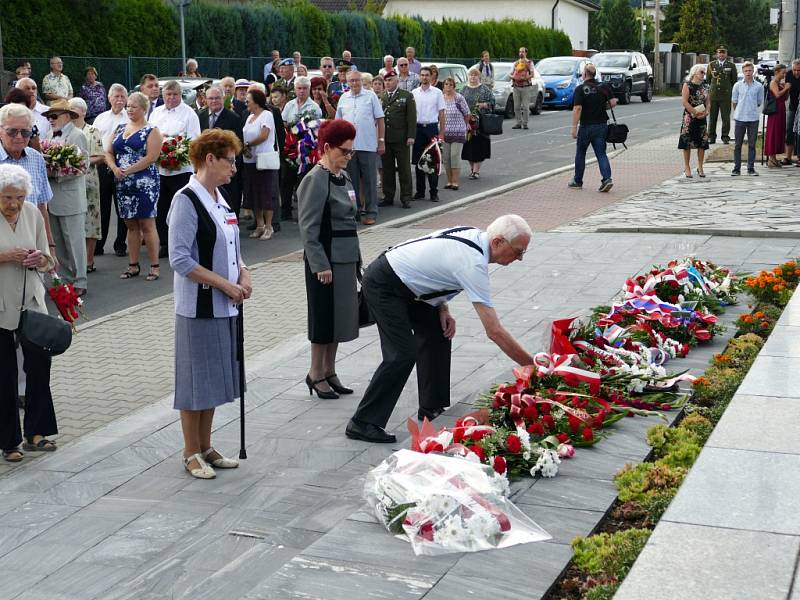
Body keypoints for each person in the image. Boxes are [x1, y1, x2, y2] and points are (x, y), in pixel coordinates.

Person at [346, 214, 534, 443]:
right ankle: (363, 422)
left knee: (438, 331)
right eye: (519, 251)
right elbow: (494, 331)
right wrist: (532, 366)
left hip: (411, 286)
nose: (520, 258)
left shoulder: (474, 236)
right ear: (498, 242)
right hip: (385, 284)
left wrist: (442, 307)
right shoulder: (473, 262)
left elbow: (435, 269)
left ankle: (431, 408)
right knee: (402, 354)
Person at [168, 129, 251, 480]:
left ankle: (206, 445)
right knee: (195, 380)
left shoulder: (220, 198)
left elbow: (232, 245)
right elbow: (180, 260)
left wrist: (244, 275)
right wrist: (225, 285)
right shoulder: (186, 199)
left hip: (225, 304)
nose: (234, 167)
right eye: (229, 160)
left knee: (214, 377)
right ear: (210, 160)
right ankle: (190, 452)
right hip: (199, 306)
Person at [297, 120, 360, 400]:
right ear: (326, 148)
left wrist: (357, 259)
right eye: (344, 151)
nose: (348, 157)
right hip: (325, 260)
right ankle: (315, 373)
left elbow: (351, 221)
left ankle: (330, 371)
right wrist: (320, 264)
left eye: (351, 152)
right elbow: (308, 228)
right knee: (323, 319)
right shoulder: (315, 179)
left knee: (340, 320)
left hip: (345, 257)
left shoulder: (342, 176)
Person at [0, 164, 58, 462]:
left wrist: (41, 257)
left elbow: (49, 261)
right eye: (7, 197)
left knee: (39, 366)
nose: (14, 204)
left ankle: (37, 431)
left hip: (32, 304)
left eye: (19, 197)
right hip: (0, 307)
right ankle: (8, 441)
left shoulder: (33, 213)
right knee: (4, 374)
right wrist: (4, 256)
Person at [105, 91, 163, 281]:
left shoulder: (151, 130)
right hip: (122, 182)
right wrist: (114, 167)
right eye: (128, 106)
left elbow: (151, 157)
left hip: (145, 182)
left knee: (147, 222)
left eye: (133, 106)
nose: (129, 109)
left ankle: (154, 266)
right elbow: (109, 151)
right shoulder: (120, 127)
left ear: (144, 109)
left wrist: (128, 170)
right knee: (130, 224)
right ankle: (133, 264)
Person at [150, 80, 202, 259]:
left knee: (181, 208)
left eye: (175, 95)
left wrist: (175, 146)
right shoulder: (156, 113)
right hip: (160, 170)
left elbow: (195, 140)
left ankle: (183, 242)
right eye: (168, 95)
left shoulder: (189, 114)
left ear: (181, 95)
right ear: (163, 96)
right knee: (161, 208)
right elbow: (150, 134)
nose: (171, 98)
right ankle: (164, 242)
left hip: (182, 168)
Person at [43, 100, 89, 296]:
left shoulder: (77, 135)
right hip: (52, 198)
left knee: (74, 242)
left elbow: (82, 166)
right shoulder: (47, 135)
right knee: (59, 242)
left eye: (54, 116)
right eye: (49, 117)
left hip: (70, 198)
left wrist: (54, 173)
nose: (51, 120)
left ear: (67, 116)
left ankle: (80, 281)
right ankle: (66, 279)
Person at [0, 104, 56, 256]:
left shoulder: (36, 158)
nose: (19, 137)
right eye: (12, 131)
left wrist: (50, 247)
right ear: (0, 131)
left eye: (25, 132)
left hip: (33, 245)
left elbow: (42, 206)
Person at [336, 70, 385, 225]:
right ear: (347, 82)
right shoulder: (343, 98)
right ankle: (354, 211)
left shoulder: (371, 97)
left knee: (370, 181)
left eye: (357, 80)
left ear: (361, 81)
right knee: (351, 182)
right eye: (351, 81)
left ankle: (371, 212)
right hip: (349, 148)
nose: (354, 83)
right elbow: (339, 123)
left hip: (368, 145)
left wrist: (381, 140)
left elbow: (380, 119)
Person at [92, 83, 128, 257]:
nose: (119, 100)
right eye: (116, 96)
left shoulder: (130, 118)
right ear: (109, 98)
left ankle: (120, 243)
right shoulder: (100, 118)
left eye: (122, 97)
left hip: (122, 166)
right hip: (102, 166)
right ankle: (99, 244)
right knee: (103, 207)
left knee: (122, 207)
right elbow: (95, 140)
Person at [68, 97, 103, 273]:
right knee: (75, 222)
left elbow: (100, 155)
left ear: (83, 111)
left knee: (91, 220)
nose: (71, 111)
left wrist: (81, 162)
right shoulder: (65, 131)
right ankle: (76, 261)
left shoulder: (92, 130)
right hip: (70, 180)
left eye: (74, 108)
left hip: (89, 181)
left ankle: (89, 260)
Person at [569, 63, 616, 193]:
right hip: (601, 125)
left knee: (581, 153)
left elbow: (578, 108)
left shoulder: (580, 89)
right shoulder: (603, 87)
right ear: (595, 74)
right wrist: (601, 106)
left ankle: (577, 181)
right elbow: (613, 102)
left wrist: (574, 127)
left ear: (584, 74)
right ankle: (607, 179)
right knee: (601, 153)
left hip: (586, 126)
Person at [199, 85, 244, 216]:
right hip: (207, 168)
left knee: (229, 201)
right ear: (205, 100)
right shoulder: (200, 116)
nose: (214, 101)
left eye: (217, 98)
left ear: (223, 98)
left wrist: (233, 167)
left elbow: (238, 146)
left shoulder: (234, 118)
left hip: (226, 168)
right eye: (210, 98)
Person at [241, 89, 278, 240]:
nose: (246, 102)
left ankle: (269, 226)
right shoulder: (249, 117)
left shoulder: (267, 115)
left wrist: (248, 144)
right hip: (249, 160)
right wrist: (244, 148)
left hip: (263, 160)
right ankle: (259, 225)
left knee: (265, 192)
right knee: (254, 193)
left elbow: (264, 135)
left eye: (248, 100)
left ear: (256, 101)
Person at [379, 69, 416, 209]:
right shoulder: (382, 96)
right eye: (386, 80)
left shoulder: (406, 96)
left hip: (401, 139)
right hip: (385, 139)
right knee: (387, 169)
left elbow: (411, 118)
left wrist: (411, 136)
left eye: (390, 80)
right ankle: (388, 196)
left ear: (397, 81)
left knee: (404, 169)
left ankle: (406, 197)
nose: (388, 83)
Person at [412, 67, 446, 202]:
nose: (424, 77)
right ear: (419, 77)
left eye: (427, 75)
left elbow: (442, 114)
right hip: (418, 129)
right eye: (422, 75)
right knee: (418, 162)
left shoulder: (437, 93)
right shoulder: (414, 93)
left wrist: (442, 133)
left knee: (433, 162)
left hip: (432, 129)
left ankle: (433, 192)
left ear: (431, 77)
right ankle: (420, 191)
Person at [461, 67, 495, 179]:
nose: (473, 77)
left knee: (479, 148)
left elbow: (493, 102)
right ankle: (472, 169)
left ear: (479, 77)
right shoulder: (464, 89)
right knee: (468, 148)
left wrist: (484, 105)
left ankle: (476, 171)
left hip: (480, 124)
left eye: (475, 75)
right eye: (471, 75)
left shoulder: (484, 89)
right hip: (467, 124)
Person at [678, 64, 710, 178]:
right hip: (690, 116)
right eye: (701, 72)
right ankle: (687, 167)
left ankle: (700, 166)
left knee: (702, 142)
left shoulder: (705, 86)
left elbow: (708, 101)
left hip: (702, 117)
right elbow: (685, 102)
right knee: (687, 142)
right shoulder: (688, 85)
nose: (703, 74)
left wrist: (706, 112)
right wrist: (694, 112)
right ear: (695, 73)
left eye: (704, 72)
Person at [441, 78, 471, 191]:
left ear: (454, 86)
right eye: (446, 84)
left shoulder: (459, 98)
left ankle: (455, 181)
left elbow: (467, 113)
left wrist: (464, 125)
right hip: (444, 132)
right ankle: (449, 181)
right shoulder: (441, 98)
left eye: (450, 84)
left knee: (454, 156)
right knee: (446, 158)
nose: (448, 86)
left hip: (458, 131)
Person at [705, 47, 737, 144]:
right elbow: (708, 80)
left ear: (726, 55)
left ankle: (725, 137)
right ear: (717, 54)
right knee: (712, 117)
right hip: (713, 95)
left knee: (726, 118)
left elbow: (734, 81)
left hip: (726, 95)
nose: (721, 55)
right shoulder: (711, 65)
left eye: (723, 53)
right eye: (720, 53)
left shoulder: (731, 65)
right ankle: (711, 137)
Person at [765, 64, 791, 168]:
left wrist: (786, 89)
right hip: (775, 112)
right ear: (776, 72)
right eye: (782, 73)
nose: (784, 75)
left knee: (779, 133)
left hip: (781, 110)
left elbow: (784, 98)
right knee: (773, 133)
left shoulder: (780, 83)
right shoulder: (773, 82)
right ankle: (771, 158)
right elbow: (777, 95)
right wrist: (786, 88)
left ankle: (774, 157)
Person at [511, 47, 534, 130]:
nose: (521, 53)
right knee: (516, 106)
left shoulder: (529, 63)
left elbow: (532, 74)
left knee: (525, 107)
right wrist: (513, 77)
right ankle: (518, 123)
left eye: (523, 52)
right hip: (516, 87)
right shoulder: (515, 63)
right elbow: (510, 74)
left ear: (526, 53)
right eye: (520, 51)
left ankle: (525, 123)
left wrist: (526, 78)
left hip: (526, 87)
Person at [783, 59, 800, 164]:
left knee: (799, 132)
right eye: (795, 70)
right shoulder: (788, 74)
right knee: (789, 130)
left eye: (799, 70)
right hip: (792, 106)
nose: (796, 72)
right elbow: (786, 94)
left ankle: (799, 157)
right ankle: (788, 157)